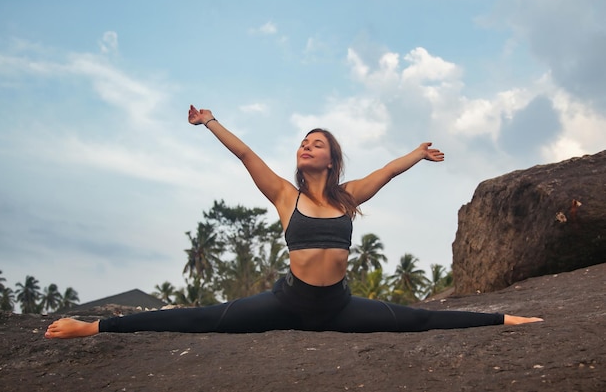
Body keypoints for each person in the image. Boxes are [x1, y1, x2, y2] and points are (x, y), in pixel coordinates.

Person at [45, 106, 542, 339]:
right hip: (288, 302)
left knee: (415, 319)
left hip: (339, 307)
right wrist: (210, 122)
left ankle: (503, 318)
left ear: (331, 160)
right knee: (199, 319)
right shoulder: (285, 196)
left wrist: (417, 151)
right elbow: (245, 154)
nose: (305, 146)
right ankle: (93, 327)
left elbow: (388, 171)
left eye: (316, 142)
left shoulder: (348, 197)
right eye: (303, 141)